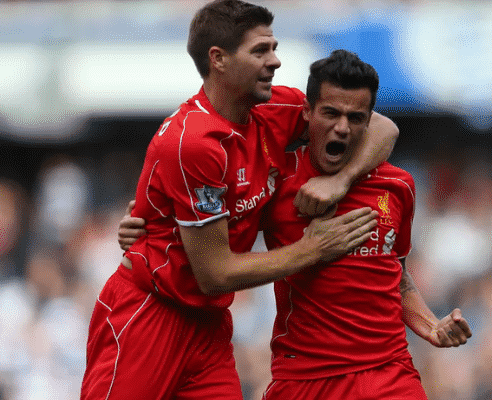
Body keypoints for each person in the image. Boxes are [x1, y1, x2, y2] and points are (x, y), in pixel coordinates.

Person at [81, 1, 400, 399]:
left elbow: (383, 127)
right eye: (260, 51)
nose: (275, 61)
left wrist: (342, 180)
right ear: (219, 59)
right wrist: (314, 248)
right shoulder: (195, 141)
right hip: (150, 314)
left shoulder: (275, 109)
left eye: (274, 48)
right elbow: (214, 273)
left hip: (209, 324)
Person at [118, 50, 473, 400]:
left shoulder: (399, 186)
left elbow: (398, 276)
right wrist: (145, 225)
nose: (342, 128)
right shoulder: (277, 182)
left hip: (388, 374)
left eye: (355, 118)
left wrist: (431, 324)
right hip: (303, 379)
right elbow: (209, 231)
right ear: (307, 113)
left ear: (369, 122)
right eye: (330, 113)